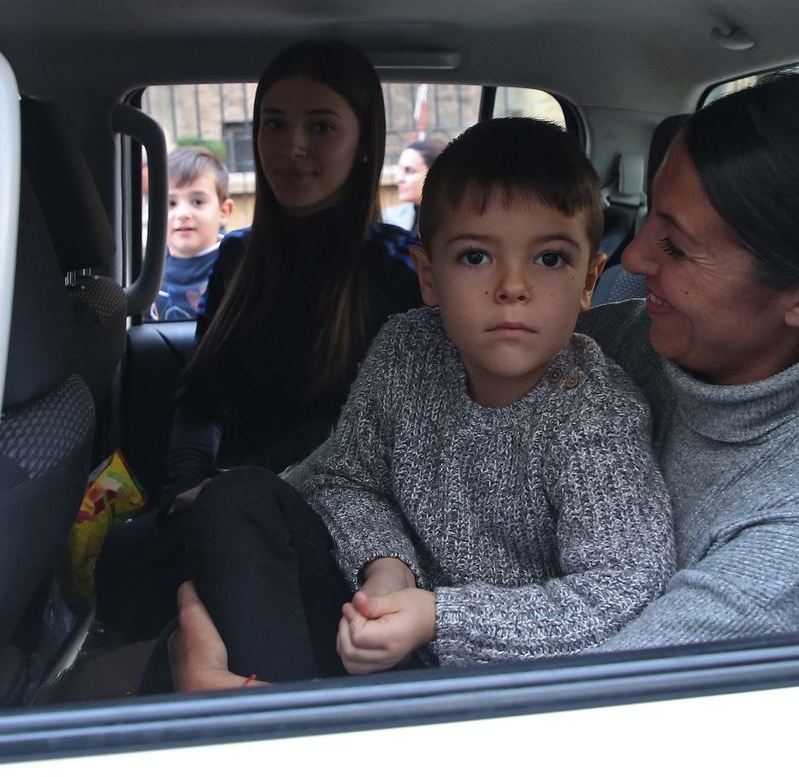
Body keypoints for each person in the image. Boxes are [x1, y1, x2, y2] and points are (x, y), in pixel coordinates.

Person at [167, 69, 799, 687]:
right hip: (399, 625)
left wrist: (253, 726)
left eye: (679, 247)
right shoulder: (637, 334)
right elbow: (364, 456)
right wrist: (382, 563)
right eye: (649, 218)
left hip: (522, 715)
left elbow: (583, 725)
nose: (634, 261)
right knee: (234, 509)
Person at [168, 117, 672, 686]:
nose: (512, 286)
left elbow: (621, 592)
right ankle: (281, 714)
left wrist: (438, 617)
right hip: (379, 628)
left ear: (589, 280)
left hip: (495, 679)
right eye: (476, 257)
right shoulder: (407, 350)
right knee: (235, 498)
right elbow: (346, 478)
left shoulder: (595, 416)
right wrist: (387, 569)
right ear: (428, 276)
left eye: (549, 258)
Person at [95, 40, 424, 637]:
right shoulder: (238, 259)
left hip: (347, 517)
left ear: (364, 143)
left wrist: (238, 491)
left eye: (320, 126)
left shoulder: (397, 272)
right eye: (274, 123)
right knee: (122, 560)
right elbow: (200, 396)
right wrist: (185, 490)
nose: (291, 147)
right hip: (230, 500)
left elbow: (383, 437)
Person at [150, 146, 233, 322]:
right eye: (171, 203)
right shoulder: (145, 273)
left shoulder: (237, 268)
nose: (182, 214)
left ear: (224, 211)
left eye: (197, 201)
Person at [381, 136, 446, 232]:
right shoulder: (390, 218)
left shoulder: (451, 223)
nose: (399, 179)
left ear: (434, 175)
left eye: (409, 171)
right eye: (400, 170)